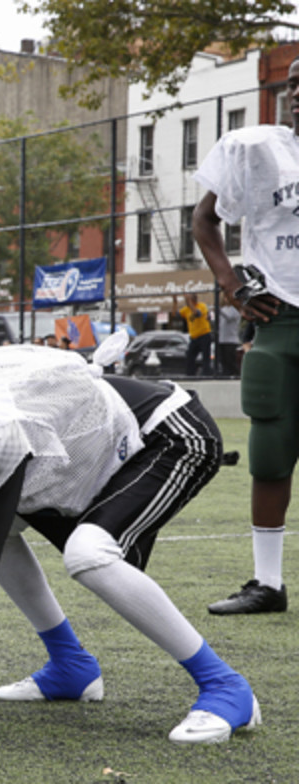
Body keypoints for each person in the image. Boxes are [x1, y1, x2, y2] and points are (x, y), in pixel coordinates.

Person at [0, 312, 260, 745]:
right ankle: (70, 666)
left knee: (89, 552)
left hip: (171, 437)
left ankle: (226, 686)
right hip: (115, 449)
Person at [192, 73, 299, 614]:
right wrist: (232, 287)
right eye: (296, 81)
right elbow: (204, 220)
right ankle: (268, 583)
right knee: (270, 450)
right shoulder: (257, 150)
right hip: (279, 319)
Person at [173, 292, 213, 376]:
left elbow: (197, 313)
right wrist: (175, 302)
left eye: (188, 300)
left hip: (204, 335)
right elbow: (175, 314)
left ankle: (207, 374)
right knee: (190, 356)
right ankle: (190, 374)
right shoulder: (186, 309)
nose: (186, 302)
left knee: (205, 357)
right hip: (194, 337)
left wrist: (189, 301)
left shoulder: (201, 306)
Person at [216, 294, 242, 378]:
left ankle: (235, 375)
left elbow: (229, 317)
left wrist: (219, 310)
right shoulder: (223, 309)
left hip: (231, 339)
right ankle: (225, 374)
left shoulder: (235, 310)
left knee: (230, 360)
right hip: (222, 339)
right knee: (223, 360)